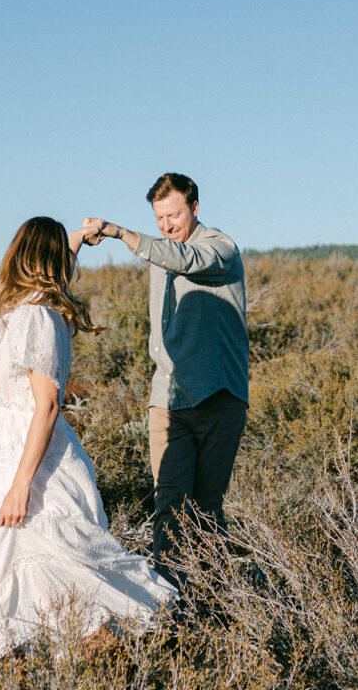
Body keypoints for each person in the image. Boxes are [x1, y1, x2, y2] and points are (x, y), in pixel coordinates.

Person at [0, 216, 176, 677]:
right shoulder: (36, 309)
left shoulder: (36, 317)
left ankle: (134, 669)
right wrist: (78, 238)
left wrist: (20, 486)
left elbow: (47, 406)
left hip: (33, 472)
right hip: (5, 466)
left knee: (67, 586)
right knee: (31, 592)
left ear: (22, 255)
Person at [85, 173, 249, 586]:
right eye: (159, 218)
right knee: (169, 503)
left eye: (173, 215)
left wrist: (122, 233)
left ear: (194, 208)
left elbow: (186, 260)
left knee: (207, 509)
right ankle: (168, 601)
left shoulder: (220, 248)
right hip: (168, 398)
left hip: (219, 397)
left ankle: (214, 599)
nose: (166, 225)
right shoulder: (163, 253)